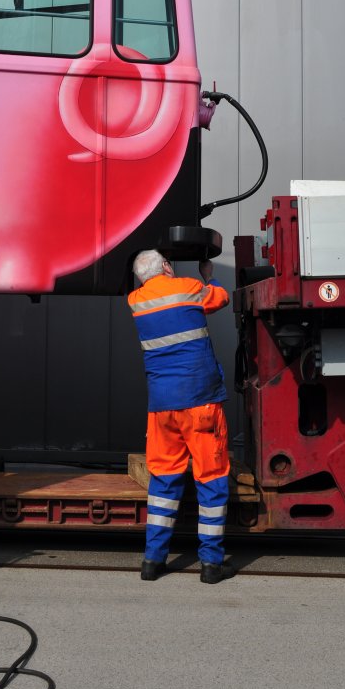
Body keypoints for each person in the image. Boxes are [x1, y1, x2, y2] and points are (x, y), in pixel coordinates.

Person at [127, 249, 235, 584]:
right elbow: (221, 299)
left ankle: (152, 561)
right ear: (166, 267)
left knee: (163, 480)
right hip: (200, 400)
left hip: (161, 406)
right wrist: (208, 275)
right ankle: (211, 564)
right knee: (211, 479)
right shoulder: (188, 288)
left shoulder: (134, 301)